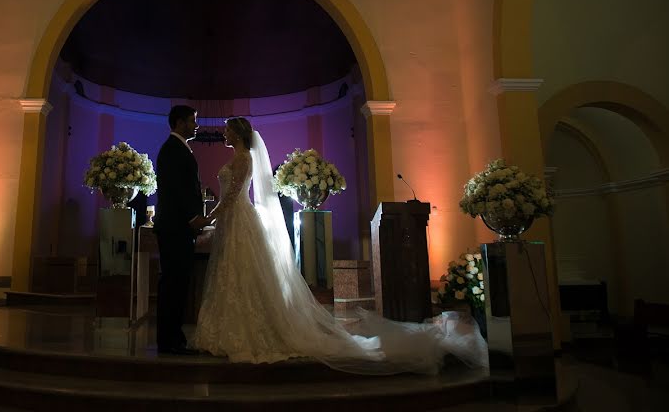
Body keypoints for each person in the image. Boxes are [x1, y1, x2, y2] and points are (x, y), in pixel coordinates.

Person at [190, 117, 488, 374]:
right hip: (234, 222)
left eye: (228, 130)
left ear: (239, 133)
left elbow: (232, 197)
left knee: (241, 275)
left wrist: (207, 218)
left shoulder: (243, 159)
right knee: (232, 276)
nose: (224, 134)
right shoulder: (239, 158)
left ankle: (246, 332)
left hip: (238, 219)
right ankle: (228, 328)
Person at [153, 105, 211, 355]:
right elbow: (177, 189)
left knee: (177, 284)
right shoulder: (172, 150)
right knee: (173, 284)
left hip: (178, 227)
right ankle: (169, 341)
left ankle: (174, 337)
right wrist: (193, 217)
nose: (196, 126)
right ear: (178, 123)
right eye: (192, 121)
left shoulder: (178, 148)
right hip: (175, 227)